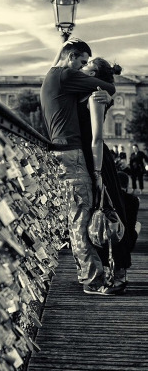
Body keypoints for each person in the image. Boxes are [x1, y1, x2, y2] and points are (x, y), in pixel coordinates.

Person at [40, 39, 121, 295]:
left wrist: (61, 49)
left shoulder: (52, 75)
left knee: (76, 214)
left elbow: (59, 62)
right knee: (81, 217)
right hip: (72, 153)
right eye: (82, 62)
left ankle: (89, 274)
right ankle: (93, 280)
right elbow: (108, 87)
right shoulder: (66, 75)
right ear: (72, 56)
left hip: (60, 153)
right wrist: (107, 92)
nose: (82, 67)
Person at [79, 58, 132, 290]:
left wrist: (98, 171)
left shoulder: (96, 95)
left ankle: (119, 272)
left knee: (110, 213)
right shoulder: (90, 92)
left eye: (86, 69)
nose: (81, 72)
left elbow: (97, 137)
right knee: (100, 214)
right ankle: (107, 270)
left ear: (95, 75)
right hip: (92, 157)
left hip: (98, 158)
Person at [117, 171, 141, 252]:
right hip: (128, 240)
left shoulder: (109, 197)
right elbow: (132, 221)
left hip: (112, 236)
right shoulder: (134, 200)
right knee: (138, 224)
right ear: (127, 185)